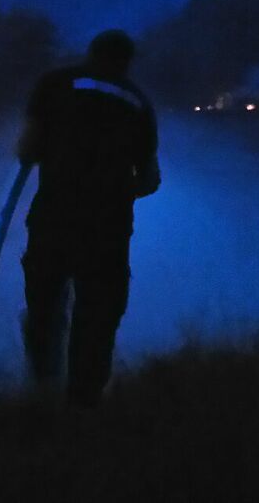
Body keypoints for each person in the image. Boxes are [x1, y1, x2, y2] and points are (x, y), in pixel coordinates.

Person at [16, 29, 160, 408]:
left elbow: (27, 149)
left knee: (44, 308)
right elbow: (149, 180)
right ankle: (85, 404)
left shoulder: (54, 83)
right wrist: (113, 191)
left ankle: (42, 393)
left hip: (52, 220)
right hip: (108, 232)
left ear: (89, 51)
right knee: (98, 315)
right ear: (127, 62)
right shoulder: (139, 103)